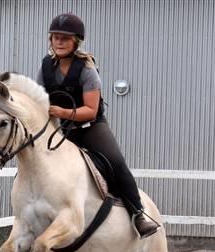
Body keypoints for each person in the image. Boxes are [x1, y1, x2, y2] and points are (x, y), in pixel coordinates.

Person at [36, 13, 159, 239]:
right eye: (56, 37)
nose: (60, 42)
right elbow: (38, 100)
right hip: (61, 129)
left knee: (116, 162)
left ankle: (138, 215)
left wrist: (62, 112)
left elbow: (90, 110)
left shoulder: (86, 69)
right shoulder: (45, 68)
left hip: (90, 127)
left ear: (76, 42)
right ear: (51, 40)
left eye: (65, 38)